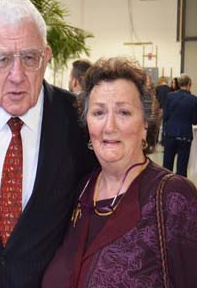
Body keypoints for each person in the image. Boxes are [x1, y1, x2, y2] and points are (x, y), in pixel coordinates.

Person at [0, 0, 95, 288]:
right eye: (2, 59)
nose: (16, 76)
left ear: (46, 58)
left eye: (29, 58)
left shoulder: (77, 120)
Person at [42, 57, 197, 288]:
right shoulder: (81, 189)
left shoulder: (172, 197)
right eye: (98, 113)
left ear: (146, 123)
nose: (109, 126)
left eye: (123, 112)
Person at [163, 74, 197, 177]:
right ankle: (180, 189)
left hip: (170, 134)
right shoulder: (194, 100)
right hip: (185, 136)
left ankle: (164, 187)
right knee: (182, 167)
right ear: (189, 84)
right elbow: (195, 120)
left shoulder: (170, 96)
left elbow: (165, 116)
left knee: (167, 165)